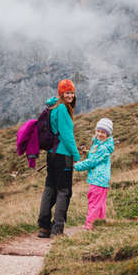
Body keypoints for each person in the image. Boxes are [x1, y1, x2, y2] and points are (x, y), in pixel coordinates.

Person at [37, 79, 81, 238]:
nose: (70, 95)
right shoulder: (62, 108)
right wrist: (76, 156)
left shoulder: (53, 107)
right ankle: (57, 229)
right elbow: (67, 135)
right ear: (61, 93)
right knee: (64, 191)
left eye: (71, 92)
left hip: (52, 154)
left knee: (50, 189)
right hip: (63, 156)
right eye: (66, 92)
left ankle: (44, 227)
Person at [74, 118, 114, 230]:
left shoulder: (102, 148)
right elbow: (95, 157)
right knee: (100, 202)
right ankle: (100, 223)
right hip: (102, 179)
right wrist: (87, 152)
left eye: (103, 132)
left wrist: (77, 165)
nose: (100, 134)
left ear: (108, 134)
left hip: (98, 178)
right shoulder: (99, 144)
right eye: (98, 131)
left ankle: (89, 224)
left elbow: (92, 162)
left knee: (94, 202)